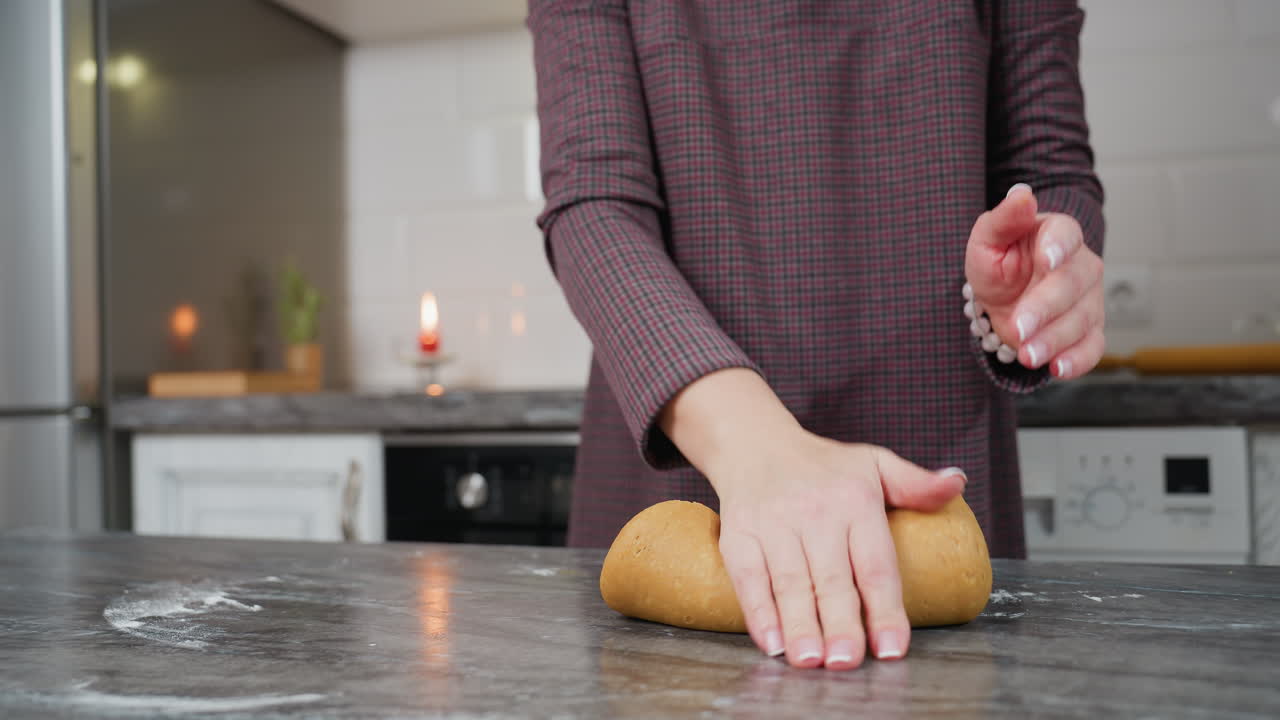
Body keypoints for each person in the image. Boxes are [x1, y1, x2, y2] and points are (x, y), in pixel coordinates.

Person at [528, 0, 1105, 671]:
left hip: (933, 455)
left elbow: (1052, 168)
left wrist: (1037, 272)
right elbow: (594, 201)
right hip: (689, 461)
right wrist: (758, 450)